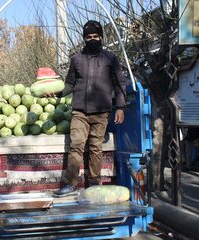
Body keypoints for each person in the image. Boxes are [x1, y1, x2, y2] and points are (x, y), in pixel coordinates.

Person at [53, 20, 126, 197]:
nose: (92, 39)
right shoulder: (76, 60)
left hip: (101, 112)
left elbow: (119, 83)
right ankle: (71, 184)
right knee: (76, 146)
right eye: (88, 37)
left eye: (95, 36)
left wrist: (121, 106)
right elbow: (70, 83)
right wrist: (57, 93)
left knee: (95, 148)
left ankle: (94, 184)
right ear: (84, 39)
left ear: (101, 37)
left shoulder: (110, 58)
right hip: (80, 112)